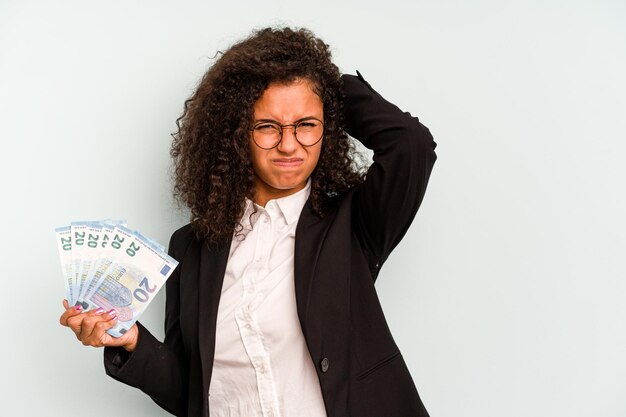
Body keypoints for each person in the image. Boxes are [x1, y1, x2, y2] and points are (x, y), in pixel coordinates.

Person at [59, 27, 437, 417]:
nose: (289, 145)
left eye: (306, 124)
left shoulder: (353, 222)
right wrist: (132, 342)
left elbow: (411, 144)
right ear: (237, 133)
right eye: (268, 127)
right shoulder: (191, 247)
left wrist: (320, 80)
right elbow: (193, 393)